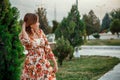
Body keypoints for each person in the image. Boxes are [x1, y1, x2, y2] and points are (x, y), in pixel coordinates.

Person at [19, 13, 58, 80]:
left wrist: (55, 63)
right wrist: (23, 28)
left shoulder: (40, 32)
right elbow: (27, 41)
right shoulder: (23, 35)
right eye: (37, 22)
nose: (39, 24)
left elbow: (48, 48)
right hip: (32, 66)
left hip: (43, 64)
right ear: (31, 24)